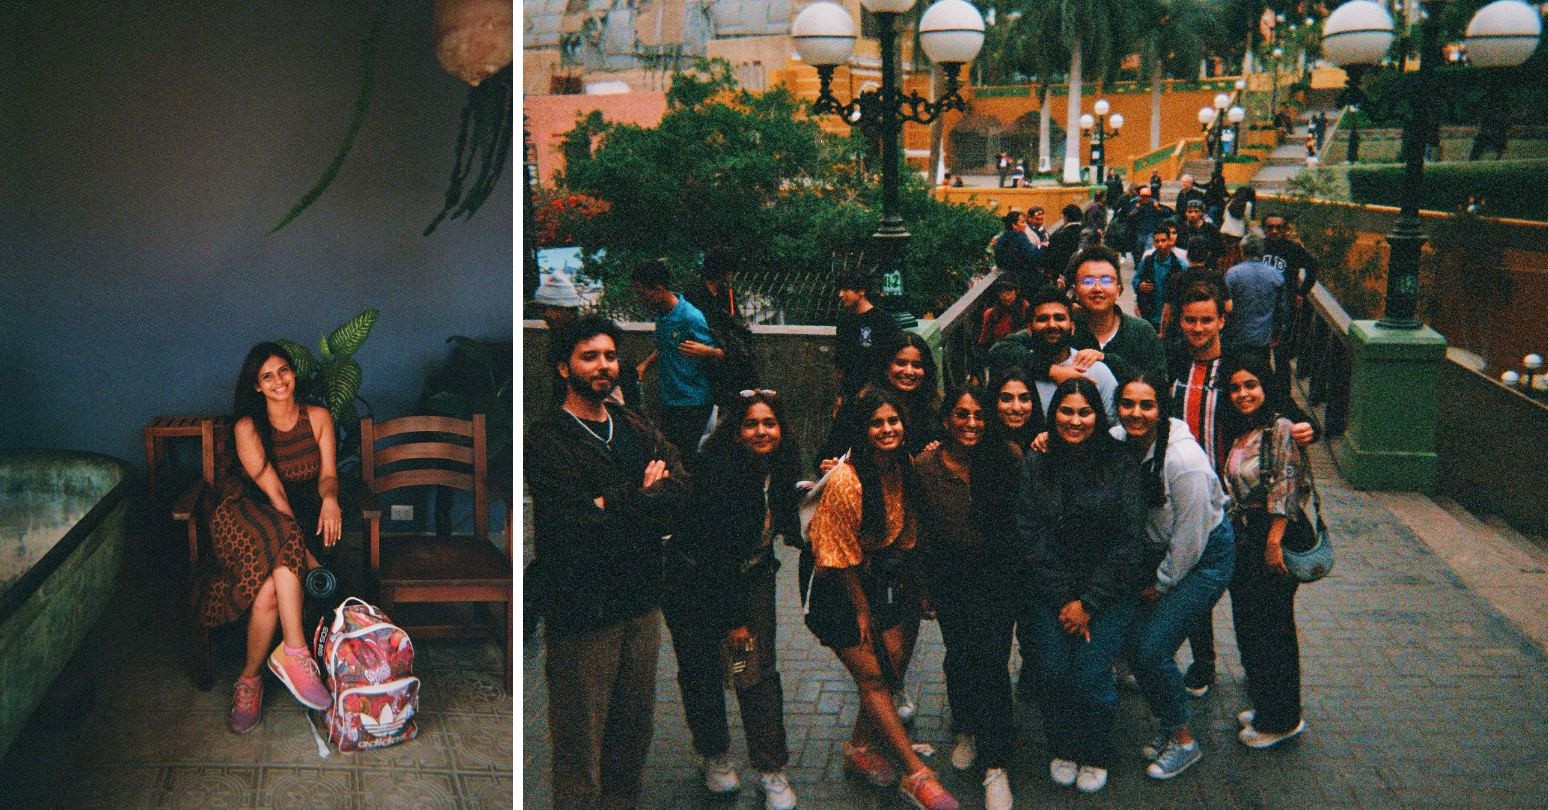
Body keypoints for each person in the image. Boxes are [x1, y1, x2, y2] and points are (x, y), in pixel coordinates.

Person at [526, 316, 690, 809]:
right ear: (562, 368)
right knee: (581, 749)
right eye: (589, 356)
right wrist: (642, 496)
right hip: (582, 614)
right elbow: (576, 526)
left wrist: (612, 503)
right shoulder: (547, 439)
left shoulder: (634, 425)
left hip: (641, 605)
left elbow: (680, 487)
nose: (603, 365)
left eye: (610, 355)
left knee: (631, 740)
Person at [803, 389, 960, 810]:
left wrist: (914, 589)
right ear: (862, 429)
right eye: (877, 423)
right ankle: (916, 774)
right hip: (837, 583)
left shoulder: (902, 466)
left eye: (893, 421)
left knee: (890, 665)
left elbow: (905, 532)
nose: (887, 429)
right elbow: (836, 557)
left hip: (881, 574)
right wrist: (861, 609)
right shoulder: (845, 479)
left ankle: (860, 747)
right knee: (872, 676)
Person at [1168, 284, 1315, 697]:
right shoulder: (1173, 361)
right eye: (1190, 320)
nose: (1198, 328)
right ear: (1180, 322)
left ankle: (1261, 674)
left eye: (1206, 320)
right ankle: (1204, 663)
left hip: (1237, 500)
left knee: (1249, 596)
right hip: (1187, 496)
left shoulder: (1238, 365)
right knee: (1193, 585)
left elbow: (1283, 409)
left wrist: (1308, 428)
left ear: (1221, 321)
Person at [662, 389, 799, 810]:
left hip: (751, 576)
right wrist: (736, 621)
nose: (761, 431)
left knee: (754, 673)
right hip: (695, 584)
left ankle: (771, 769)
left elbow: (787, 529)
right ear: (735, 432)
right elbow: (716, 556)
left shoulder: (777, 468)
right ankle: (714, 754)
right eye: (751, 424)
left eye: (769, 423)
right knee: (703, 670)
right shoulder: (719, 473)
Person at [1016, 378, 1147, 794]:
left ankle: (1097, 749)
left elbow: (1129, 540)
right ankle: (1063, 745)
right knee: (1053, 672)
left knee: (1090, 676)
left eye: (1084, 412)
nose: (1075, 421)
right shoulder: (1037, 461)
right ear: (1053, 416)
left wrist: (1088, 602)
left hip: (1106, 592)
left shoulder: (1120, 462)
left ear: (1098, 416)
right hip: (1051, 591)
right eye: (1066, 412)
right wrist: (1066, 600)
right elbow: (1030, 534)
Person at [201, 342, 338, 734]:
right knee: (283, 537)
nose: (279, 381)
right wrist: (308, 557)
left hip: (300, 515)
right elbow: (275, 495)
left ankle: (249, 680)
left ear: (293, 373)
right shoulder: (248, 426)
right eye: (267, 376)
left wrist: (329, 499)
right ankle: (296, 652)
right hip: (246, 513)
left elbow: (329, 475)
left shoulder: (318, 417)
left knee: (269, 591)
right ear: (257, 386)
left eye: (283, 371)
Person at [1110, 371, 1236, 781]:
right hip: (1164, 550)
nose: (1136, 413)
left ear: (1161, 409)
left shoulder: (1184, 463)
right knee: (1136, 640)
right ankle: (1168, 725)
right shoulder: (1122, 441)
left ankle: (1183, 740)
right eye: (1127, 404)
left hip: (1204, 556)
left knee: (1149, 648)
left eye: (1146, 405)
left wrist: (1160, 584)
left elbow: (1190, 540)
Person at [915, 385, 1021, 810]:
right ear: (947, 421)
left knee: (992, 660)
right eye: (962, 414)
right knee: (959, 653)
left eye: (979, 414)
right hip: (950, 577)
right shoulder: (926, 465)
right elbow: (919, 527)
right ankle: (966, 726)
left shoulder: (1006, 457)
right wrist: (922, 587)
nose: (971, 423)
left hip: (997, 576)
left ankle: (997, 764)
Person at [1220, 355, 1313, 750]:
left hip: (1272, 535)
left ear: (1266, 387)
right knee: (1252, 625)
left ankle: (1282, 719)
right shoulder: (1246, 429)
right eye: (1236, 387)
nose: (1243, 394)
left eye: (1251, 385)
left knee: (1274, 630)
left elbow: (1288, 486)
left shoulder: (1281, 428)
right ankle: (1266, 705)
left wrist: (1274, 541)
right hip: (1247, 537)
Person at [987, 287, 1120, 423]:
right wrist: (1052, 371)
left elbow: (1117, 428)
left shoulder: (1096, 371)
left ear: (1072, 327)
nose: (1052, 325)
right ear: (1029, 329)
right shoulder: (1014, 369)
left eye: (1059, 318)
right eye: (1043, 319)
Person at [631, 258, 722, 456]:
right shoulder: (662, 315)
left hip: (693, 402)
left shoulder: (691, 317)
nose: (640, 299)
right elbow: (667, 346)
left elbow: (721, 354)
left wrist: (707, 352)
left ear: (659, 288)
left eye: (642, 293)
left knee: (682, 458)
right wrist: (645, 365)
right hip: (671, 400)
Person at [1068, 245, 1168, 381]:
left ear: (1118, 290)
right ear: (1076, 291)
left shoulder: (1142, 332)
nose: (1097, 288)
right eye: (1088, 281)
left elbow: (1160, 383)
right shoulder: (1064, 331)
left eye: (1106, 281)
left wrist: (1108, 360)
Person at [833, 270, 900, 412]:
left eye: (846, 290)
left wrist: (870, 388)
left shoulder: (883, 321)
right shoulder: (844, 322)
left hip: (878, 397)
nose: (840, 295)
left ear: (861, 291)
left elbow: (889, 360)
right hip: (849, 398)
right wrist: (839, 395)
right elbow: (840, 363)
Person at [1223, 233, 1288, 372]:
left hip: (1237, 337)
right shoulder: (1275, 274)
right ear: (1262, 252)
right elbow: (1281, 309)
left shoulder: (1232, 274)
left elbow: (1225, 306)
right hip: (1262, 338)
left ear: (1242, 251)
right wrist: (1277, 333)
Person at [1136, 225, 1185, 331]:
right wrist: (1140, 285)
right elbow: (1136, 280)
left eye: (1163, 240)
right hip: (1149, 315)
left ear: (1169, 241)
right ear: (1153, 243)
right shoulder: (1147, 261)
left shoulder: (1180, 265)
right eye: (1157, 241)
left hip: (1171, 318)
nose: (1160, 244)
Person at [993, 210, 1042, 300]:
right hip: (1024, 279)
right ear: (1014, 225)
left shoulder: (1002, 238)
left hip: (1008, 279)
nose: (1025, 225)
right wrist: (1042, 248)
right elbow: (1033, 255)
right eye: (1022, 222)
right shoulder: (1019, 238)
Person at [977, 280, 1029, 365]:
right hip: (1001, 355)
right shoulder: (991, 313)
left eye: (1009, 292)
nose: (1005, 296)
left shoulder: (1024, 307)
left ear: (1016, 291)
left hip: (1021, 353)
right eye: (1001, 292)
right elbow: (984, 339)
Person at [1044, 203, 1086, 289]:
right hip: (1084, 274)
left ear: (1065, 217)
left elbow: (1051, 257)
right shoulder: (1088, 234)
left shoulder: (1058, 235)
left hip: (1062, 277)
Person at [1219, 186, 1256, 267]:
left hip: (1224, 231)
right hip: (1237, 234)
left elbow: (1224, 217)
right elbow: (1248, 220)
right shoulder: (1248, 205)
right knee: (1234, 257)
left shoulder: (1230, 202)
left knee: (1224, 255)